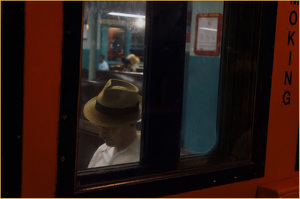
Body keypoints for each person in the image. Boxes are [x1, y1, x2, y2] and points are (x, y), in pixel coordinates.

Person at [83, 79, 142, 168]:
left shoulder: (142, 158)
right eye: (99, 127)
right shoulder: (101, 151)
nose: (101, 134)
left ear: (132, 124)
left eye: (111, 128)